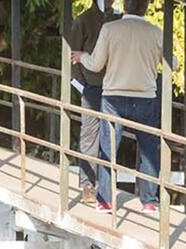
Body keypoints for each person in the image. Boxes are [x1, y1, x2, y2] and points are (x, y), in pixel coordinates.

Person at [72, 0, 165, 212]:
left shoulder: (110, 28)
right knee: (149, 148)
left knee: (108, 147)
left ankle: (105, 200)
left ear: (124, 6)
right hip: (145, 96)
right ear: (146, 8)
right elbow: (173, 63)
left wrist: (82, 57)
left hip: (113, 95)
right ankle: (150, 200)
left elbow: (96, 64)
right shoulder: (155, 32)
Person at [70, 0, 118, 206]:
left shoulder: (118, 18)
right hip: (93, 87)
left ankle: (106, 188)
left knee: (112, 136)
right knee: (90, 135)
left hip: (114, 86)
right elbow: (72, 57)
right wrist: (83, 86)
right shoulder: (83, 21)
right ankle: (88, 185)